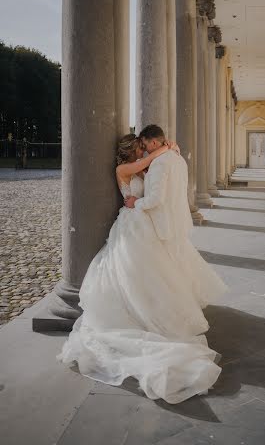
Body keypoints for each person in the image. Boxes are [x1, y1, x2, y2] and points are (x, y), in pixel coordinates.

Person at [58, 125, 227, 404]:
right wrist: (166, 147)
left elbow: (157, 172)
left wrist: (169, 149)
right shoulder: (124, 170)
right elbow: (151, 162)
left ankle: (151, 310)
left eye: (142, 147)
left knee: (152, 272)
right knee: (132, 271)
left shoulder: (141, 167)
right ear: (131, 151)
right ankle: (138, 314)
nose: (142, 152)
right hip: (131, 223)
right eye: (139, 148)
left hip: (144, 222)